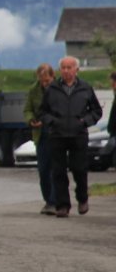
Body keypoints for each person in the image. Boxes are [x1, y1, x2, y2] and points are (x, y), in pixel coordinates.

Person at [37, 55, 102, 218]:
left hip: (78, 135)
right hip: (57, 135)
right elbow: (42, 112)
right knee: (58, 171)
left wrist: (84, 121)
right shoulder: (52, 89)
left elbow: (96, 111)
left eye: (69, 67)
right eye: (63, 68)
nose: (66, 71)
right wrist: (52, 121)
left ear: (76, 69)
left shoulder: (85, 88)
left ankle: (82, 198)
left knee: (79, 169)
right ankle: (62, 205)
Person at [24, 63, 55, 215]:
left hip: (56, 134)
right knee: (43, 170)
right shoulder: (33, 90)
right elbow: (27, 109)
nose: (44, 83)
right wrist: (31, 120)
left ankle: (54, 201)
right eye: (42, 81)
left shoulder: (59, 90)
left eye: (47, 80)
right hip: (41, 135)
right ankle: (48, 200)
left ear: (52, 77)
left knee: (56, 169)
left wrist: (47, 120)